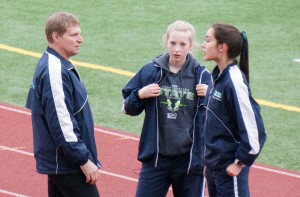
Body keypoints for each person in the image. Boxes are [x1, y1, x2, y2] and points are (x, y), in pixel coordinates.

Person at [122, 20, 212, 197]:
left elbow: (219, 117)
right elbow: (128, 108)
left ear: (191, 46)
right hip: (156, 160)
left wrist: (211, 96)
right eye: (173, 43)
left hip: (188, 162)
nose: (177, 49)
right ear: (166, 42)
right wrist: (140, 94)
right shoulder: (151, 70)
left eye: (182, 44)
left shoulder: (202, 76)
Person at [26, 12, 101, 197]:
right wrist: (83, 160)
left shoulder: (60, 64)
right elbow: (61, 120)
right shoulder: (54, 70)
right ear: (56, 37)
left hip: (63, 161)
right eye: (74, 35)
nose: (80, 39)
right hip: (68, 163)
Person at [201, 23, 267, 197]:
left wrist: (239, 163)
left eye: (208, 40)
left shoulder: (234, 81)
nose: (203, 45)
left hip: (228, 170)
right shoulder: (217, 75)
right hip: (214, 166)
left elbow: (254, 132)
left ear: (222, 47)